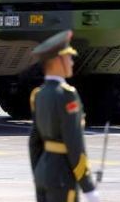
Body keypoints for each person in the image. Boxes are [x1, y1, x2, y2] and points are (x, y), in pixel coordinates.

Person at [28, 30, 100, 202]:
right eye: (68, 57)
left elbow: (34, 143)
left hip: (43, 173)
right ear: (56, 60)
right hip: (62, 175)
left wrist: (40, 173)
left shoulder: (38, 94)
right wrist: (88, 187)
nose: (72, 62)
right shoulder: (66, 95)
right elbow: (74, 143)